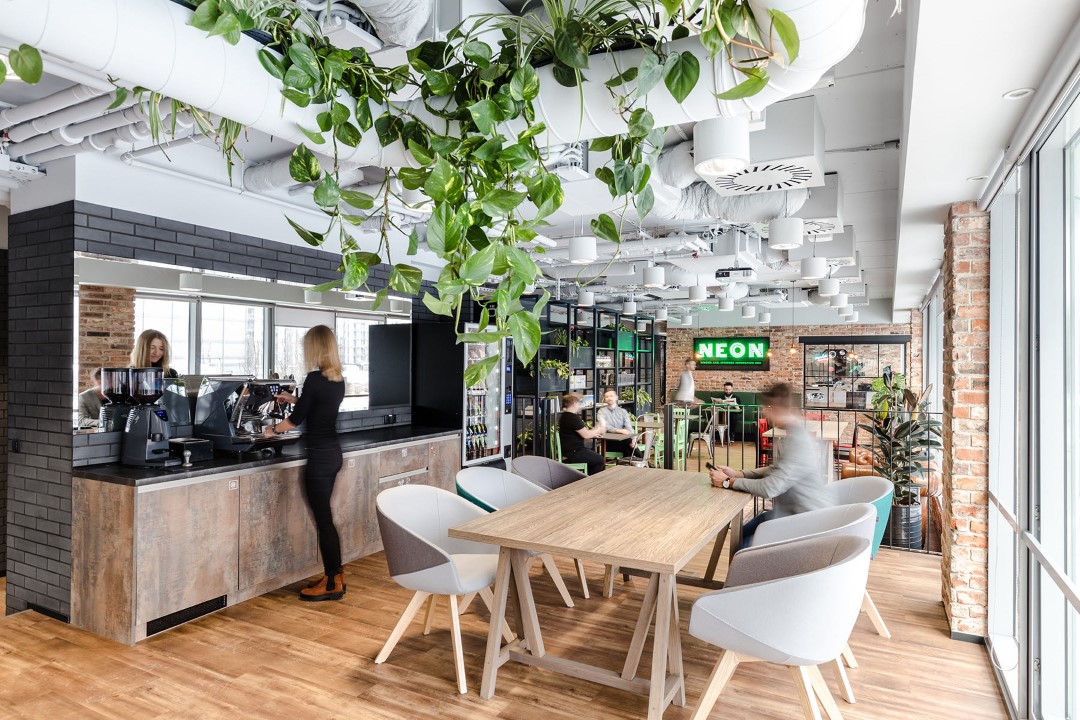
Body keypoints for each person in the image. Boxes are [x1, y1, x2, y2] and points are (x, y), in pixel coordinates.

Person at [263, 325, 347, 601]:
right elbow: (317, 406)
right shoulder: (337, 379)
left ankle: (332, 581)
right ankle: (336, 575)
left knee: (324, 521)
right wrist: (294, 398)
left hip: (320, 458)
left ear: (315, 348)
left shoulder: (313, 378)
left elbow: (295, 421)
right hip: (333, 454)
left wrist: (271, 431)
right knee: (326, 518)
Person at [707, 383, 829, 547]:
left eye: (768, 408)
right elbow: (775, 469)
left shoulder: (798, 441)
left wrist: (727, 482)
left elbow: (770, 488)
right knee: (741, 534)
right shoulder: (796, 432)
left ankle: (748, 570)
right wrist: (738, 474)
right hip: (792, 514)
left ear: (778, 408)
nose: (765, 412)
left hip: (804, 522)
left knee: (744, 541)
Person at [558, 393, 606, 476]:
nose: (580, 405)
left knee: (594, 459)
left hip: (569, 451)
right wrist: (598, 429)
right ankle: (591, 482)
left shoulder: (564, 416)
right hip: (575, 452)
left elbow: (582, 433)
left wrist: (593, 433)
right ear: (574, 403)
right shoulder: (573, 418)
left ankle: (587, 478)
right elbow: (586, 435)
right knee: (599, 460)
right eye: (579, 403)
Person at [596, 389, 637, 457]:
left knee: (629, 446)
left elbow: (628, 427)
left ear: (616, 397)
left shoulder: (623, 411)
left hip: (623, 441)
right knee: (628, 444)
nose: (609, 398)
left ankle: (634, 463)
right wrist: (619, 430)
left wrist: (634, 439)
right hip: (608, 442)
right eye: (607, 396)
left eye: (611, 396)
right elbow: (605, 426)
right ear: (605, 399)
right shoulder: (601, 412)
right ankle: (644, 462)